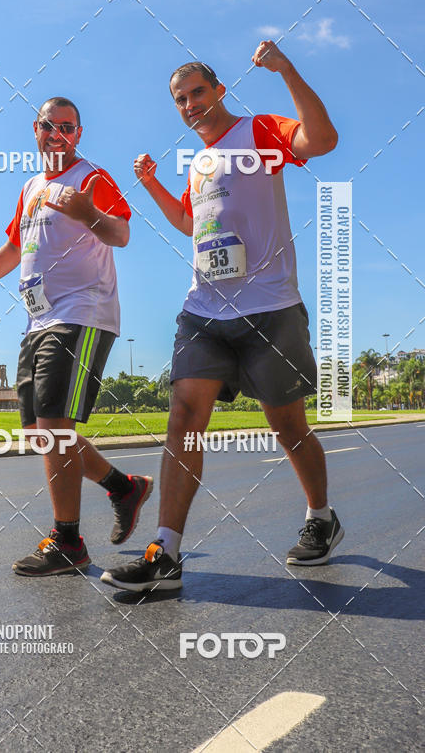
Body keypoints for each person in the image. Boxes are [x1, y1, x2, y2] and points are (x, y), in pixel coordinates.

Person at [101, 41, 343, 592]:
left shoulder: (258, 133)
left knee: (286, 425)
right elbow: (191, 224)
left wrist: (286, 70)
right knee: (184, 417)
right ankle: (165, 550)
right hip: (204, 310)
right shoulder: (200, 162)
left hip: (270, 309)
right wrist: (151, 184)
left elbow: (323, 141)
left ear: (219, 91)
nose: (189, 105)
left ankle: (321, 517)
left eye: (197, 93)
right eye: (180, 99)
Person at [0, 96, 153, 577]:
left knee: (56, 427)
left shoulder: (91, 179)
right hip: (38, 318)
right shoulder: (31, 186)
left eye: (68, 126)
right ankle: (124, 487)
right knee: (43, 433)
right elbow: (15, 247)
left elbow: (120, 234)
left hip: (83, 312)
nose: (57, 133)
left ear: (79, 134)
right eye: (48, 125)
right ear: (34, 131)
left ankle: (68, 541)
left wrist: (86, 211)